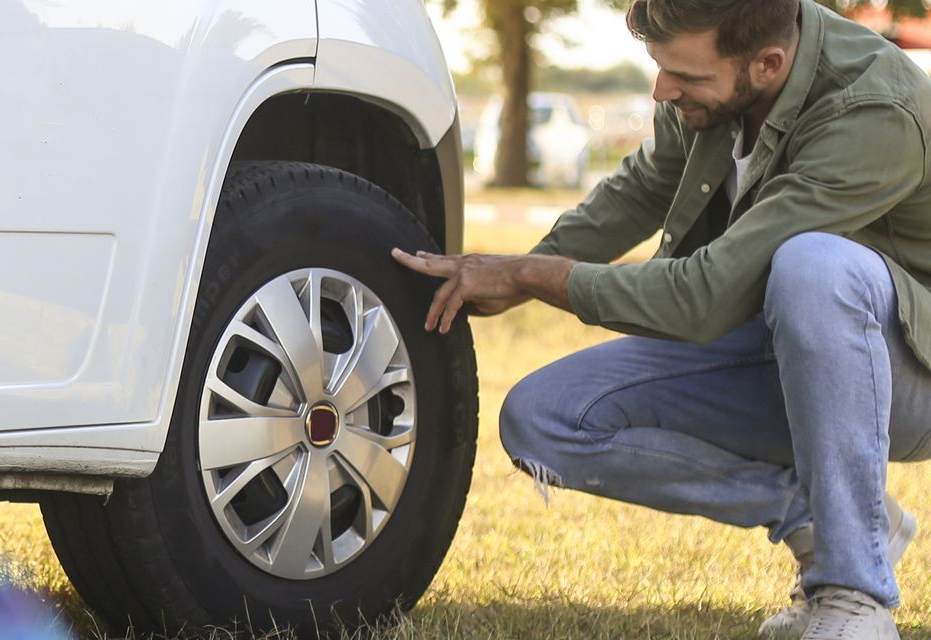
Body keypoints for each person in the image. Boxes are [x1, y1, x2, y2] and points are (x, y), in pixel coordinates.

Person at [392, 0, 931, 638]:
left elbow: (701, 297)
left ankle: (854, 596)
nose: (661, 89)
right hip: (779, 349)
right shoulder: (714, 85)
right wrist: (517, 271)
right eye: (659, 66)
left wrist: (531, 277)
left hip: (903, 375)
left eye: (686, 77)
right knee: (544, 419)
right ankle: (830, 514)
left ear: (768, 64)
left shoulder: (871, 112)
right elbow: (643, 189)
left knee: (813, 266)